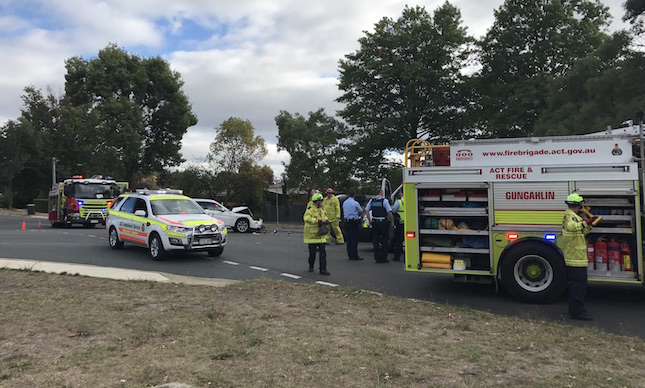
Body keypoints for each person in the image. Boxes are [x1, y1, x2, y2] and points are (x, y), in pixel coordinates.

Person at [563, 192, 595, 321]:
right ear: (577, 205)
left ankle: (574, 310)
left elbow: (581, 231)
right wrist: (587, 221)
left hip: (577, 256)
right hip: (575, 258)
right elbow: (572, 227)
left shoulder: (574, 216)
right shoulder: (571, 216)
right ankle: (577, 312)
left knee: (578, 286)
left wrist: (589, 225)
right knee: (579, 287)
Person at [303, 193, 331, 275]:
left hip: (321, 235)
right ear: (315, 202)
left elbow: (324, 216)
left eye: (321, 201)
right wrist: (316, 221)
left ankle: (323, 269)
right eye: (319, 201)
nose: (321, 202)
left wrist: (326, 220)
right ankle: (311, 266)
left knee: (323, 254)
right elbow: (306, 218)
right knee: (312, 254)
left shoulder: (322, 210)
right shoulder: (310, 210)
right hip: (312, 236)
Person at [365, 188, 394, 263]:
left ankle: (377, 257)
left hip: (374, 222)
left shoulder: (372, 201)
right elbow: (389, 212)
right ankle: (383, 258)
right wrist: (391, 221)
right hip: (383, 222)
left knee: (375, 240)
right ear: (381, 193)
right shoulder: (384, 201)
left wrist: (369, 220)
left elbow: (366, 210)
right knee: (384, 240)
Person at [342, 190, 365, 261]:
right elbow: (361, 212)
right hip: (354, 222)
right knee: (354, 239)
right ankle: (354, 255)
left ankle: (350, 255)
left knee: (349, 239)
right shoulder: (355, 203)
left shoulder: (345, 203)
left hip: (346, 221)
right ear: (354, 195)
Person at [391, 189, 404, 261]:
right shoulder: (410, 200)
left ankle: (397, 257)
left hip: (400, 223)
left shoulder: (399, 202)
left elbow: (393, 210)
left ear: (401, 193)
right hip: (409, 223)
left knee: (398, 240)